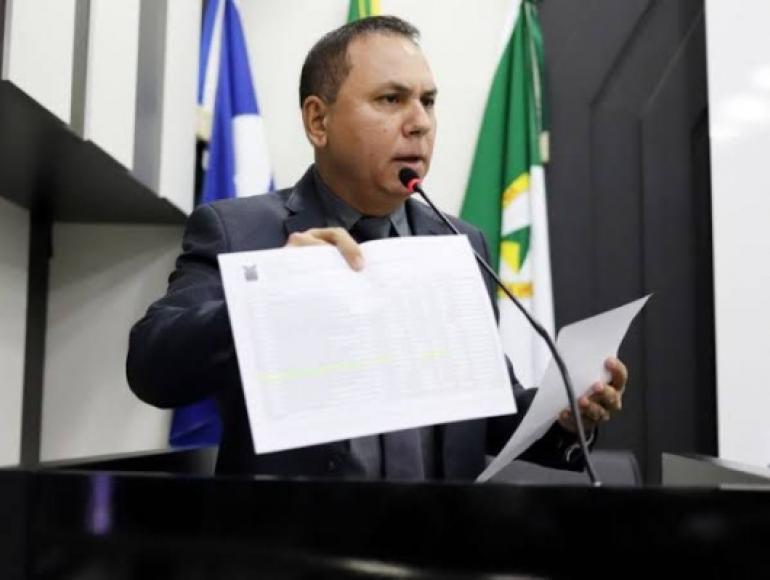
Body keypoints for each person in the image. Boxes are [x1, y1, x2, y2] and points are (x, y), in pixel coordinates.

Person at [127, 16, 627, 480]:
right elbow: (151, 368)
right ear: (318, 121)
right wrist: (272, 294)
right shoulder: (239, 231)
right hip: (295, 537)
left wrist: (564, 416)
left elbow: (484, 413)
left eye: (428, 101)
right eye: (391, 99)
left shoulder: (459, 243)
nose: (420, 122)